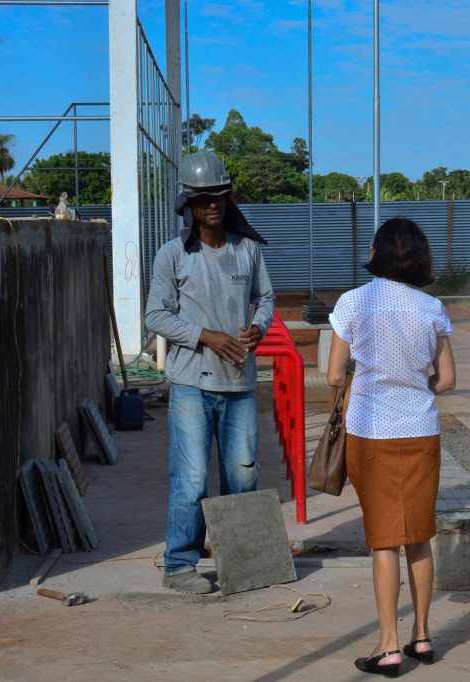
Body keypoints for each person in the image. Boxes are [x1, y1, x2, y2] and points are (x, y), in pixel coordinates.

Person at [327, 217, 456, 677]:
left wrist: (373, 380)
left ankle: (388, 648)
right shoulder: (431, 307)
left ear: (376, 253)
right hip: (420, 432)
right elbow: (448, 379)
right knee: (418, 536)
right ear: (420, 257)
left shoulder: (353, 303)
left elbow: (333, 373)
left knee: (384, 542)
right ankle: (422, 636)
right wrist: (412, 385)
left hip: (370, 433)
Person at [145, 151, 275, 595]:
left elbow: (267, 300)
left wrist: (258, 327)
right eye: (202, 200)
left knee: (243, 475)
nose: (212, 206)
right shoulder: (172, 256)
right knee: (192, 478)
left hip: (239, 384)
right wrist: (206, 336)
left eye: (218, 196)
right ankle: (180, 565)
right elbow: (156, 317)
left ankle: (239, 561)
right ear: (188, 205)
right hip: (191, 385)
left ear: (228, 198)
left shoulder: (249, 251)